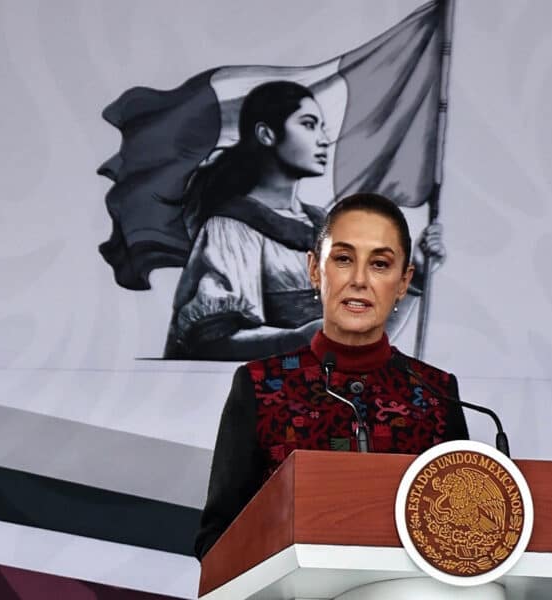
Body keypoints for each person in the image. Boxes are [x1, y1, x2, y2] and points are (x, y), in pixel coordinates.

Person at [193, 193, 469, 561]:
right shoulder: (260, 385)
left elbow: (463, 534)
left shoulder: (437, 394)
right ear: (314, 270)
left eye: (380, 265)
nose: (359, 280)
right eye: (342, 259)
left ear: (404, 282)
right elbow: (217, 539)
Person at [163, 81, 443, 361]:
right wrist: (302, 339)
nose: (323, 139)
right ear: (266, 134)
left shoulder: (324, 226)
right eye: (309, 125)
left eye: (322, 127)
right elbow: (213, 342)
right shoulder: (231, 228)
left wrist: (415, 276)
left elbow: (362, 341)